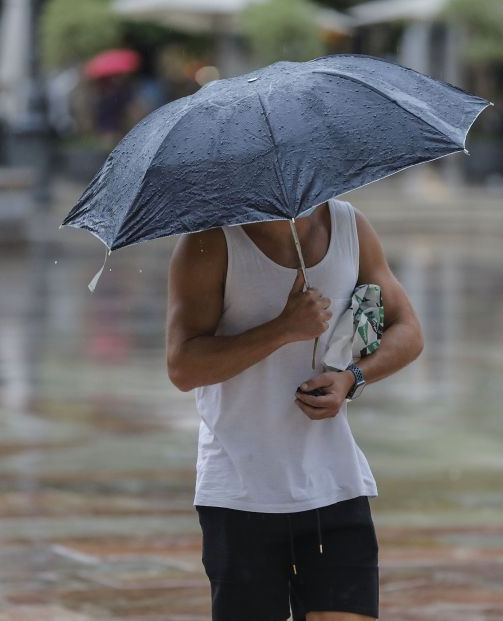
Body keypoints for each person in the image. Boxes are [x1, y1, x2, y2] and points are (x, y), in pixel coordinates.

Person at [166, 198, 424, 621]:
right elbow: (182, 366)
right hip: (241, 491)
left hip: (334, 482)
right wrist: (282, 330)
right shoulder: (208, 241)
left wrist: (352, 379)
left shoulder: (349, 226)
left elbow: (408, 330)